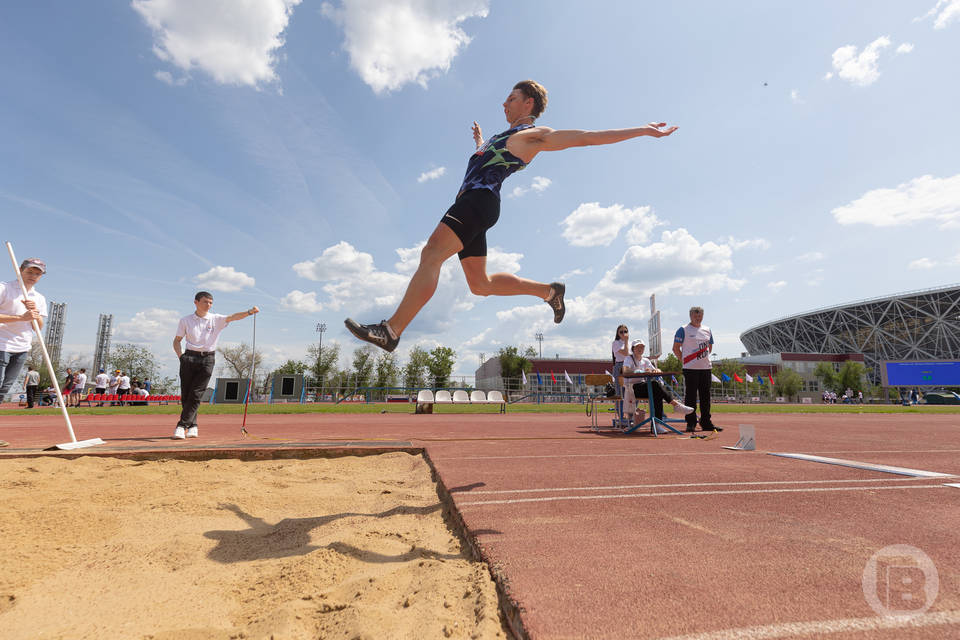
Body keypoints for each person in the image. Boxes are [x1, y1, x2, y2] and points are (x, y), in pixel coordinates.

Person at [345, 80, 678, 352]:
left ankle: (391, 330)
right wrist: (479, 141)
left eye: (511, 98)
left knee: (432, 252)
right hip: (477, 204)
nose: (504, 104)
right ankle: (549, 292)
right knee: (480, 285)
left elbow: (586, 138)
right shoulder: (499, 138)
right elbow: (483, 158)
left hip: (477, 202)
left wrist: (643, 130)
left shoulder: (532, 136)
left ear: (528, 103)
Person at [172, 291, 259, 440]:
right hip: (188, 358)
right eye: (205, 302)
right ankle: (193, 426)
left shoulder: (216, 319)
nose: (208, 305)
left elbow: (233, 317)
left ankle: (182, 426)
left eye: (211, 302)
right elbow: (177, 340)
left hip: (207, 359)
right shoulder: (185, 320)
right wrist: (181, 357)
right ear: (196, 302)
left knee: (196, 393)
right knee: (186, 395)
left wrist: (250, 312)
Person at [0, 258, 48, 405]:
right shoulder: (4, 288)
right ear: (20, 270)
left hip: (22, 347)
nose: (33, 276)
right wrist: (20, 317)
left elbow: (37, 327)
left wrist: (35, 312)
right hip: (1, 343)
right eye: (30, 271)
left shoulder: (39, 298)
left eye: (37, 274)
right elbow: (22, 318)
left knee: (5, 387)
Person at [623, 339, 693, 429]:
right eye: (638, 347)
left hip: (644, 386)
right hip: (632, 388)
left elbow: (657, 370)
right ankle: (676, 405)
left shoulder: (646, 360)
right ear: (633, 348)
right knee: (655, 385)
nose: (640, 349)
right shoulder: (629, 359)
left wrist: (656, 370)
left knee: (657, 392)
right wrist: (640, 371)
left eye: (642, 347)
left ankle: (657, 425)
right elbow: (625, 371)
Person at [673, 306, 722, 433]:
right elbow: (675, 348)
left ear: (703, 316)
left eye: (700, 316)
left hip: (705, 368)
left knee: (706, 397)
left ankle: (706, 422)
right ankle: (691, 422)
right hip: (690, 369)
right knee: (691, 397)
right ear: (690, 316)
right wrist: (684, 360)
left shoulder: (707, 330)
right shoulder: (683, 329)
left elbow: (709, 348)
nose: (697, 318)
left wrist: (702, 359)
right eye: (695, 316)